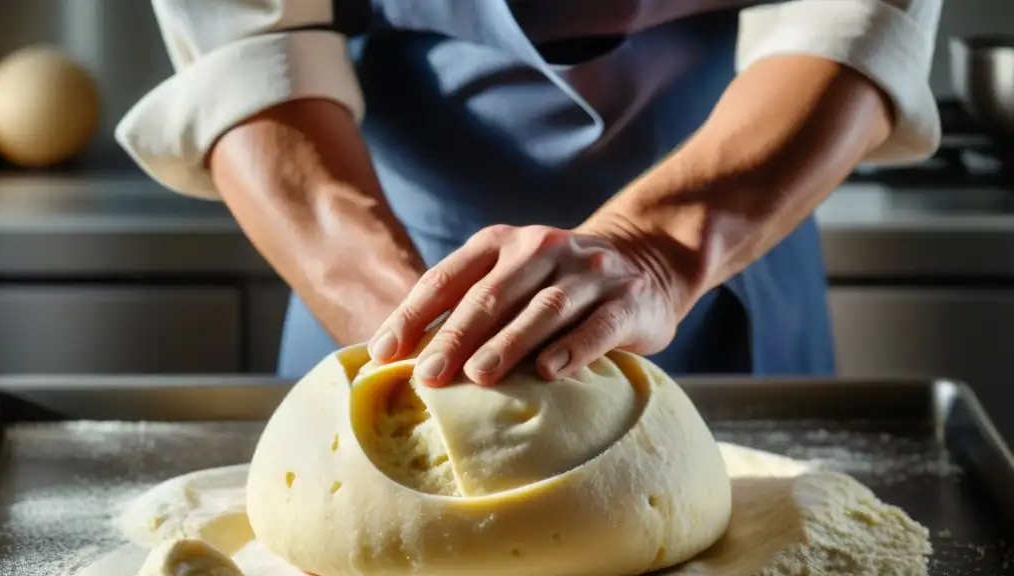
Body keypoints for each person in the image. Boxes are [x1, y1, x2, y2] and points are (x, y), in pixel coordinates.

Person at [118, 0, 942, 387]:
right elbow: (246, 53)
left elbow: (854, 16)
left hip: (732, 231)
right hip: (377, 255)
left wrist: (653, 252)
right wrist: (402, 331)